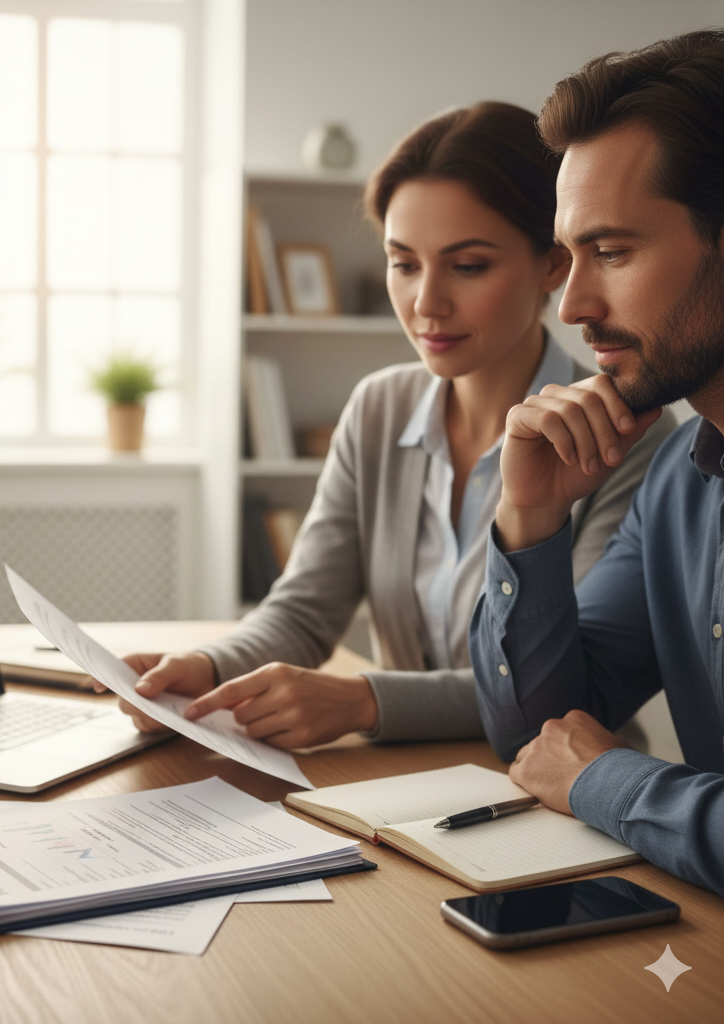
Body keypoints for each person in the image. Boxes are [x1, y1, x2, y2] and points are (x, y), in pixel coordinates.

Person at [103, 102, 674, 749]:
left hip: (561, 791)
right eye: (404, 264)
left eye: (468, 265)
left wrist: (364, 700)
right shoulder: (381, 407)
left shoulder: (629, 434)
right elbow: (304, 608)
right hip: (402, 779)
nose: (426, 303)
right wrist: (208, 668)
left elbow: (561, 683)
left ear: (552, 264)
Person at [469, 30, 724, 896]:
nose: (573, 304)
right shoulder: (679, 486)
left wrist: (606, 779)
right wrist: (531, 514)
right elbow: (538, 737)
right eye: (570, 256)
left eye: (611, 253)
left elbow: (575, 764)